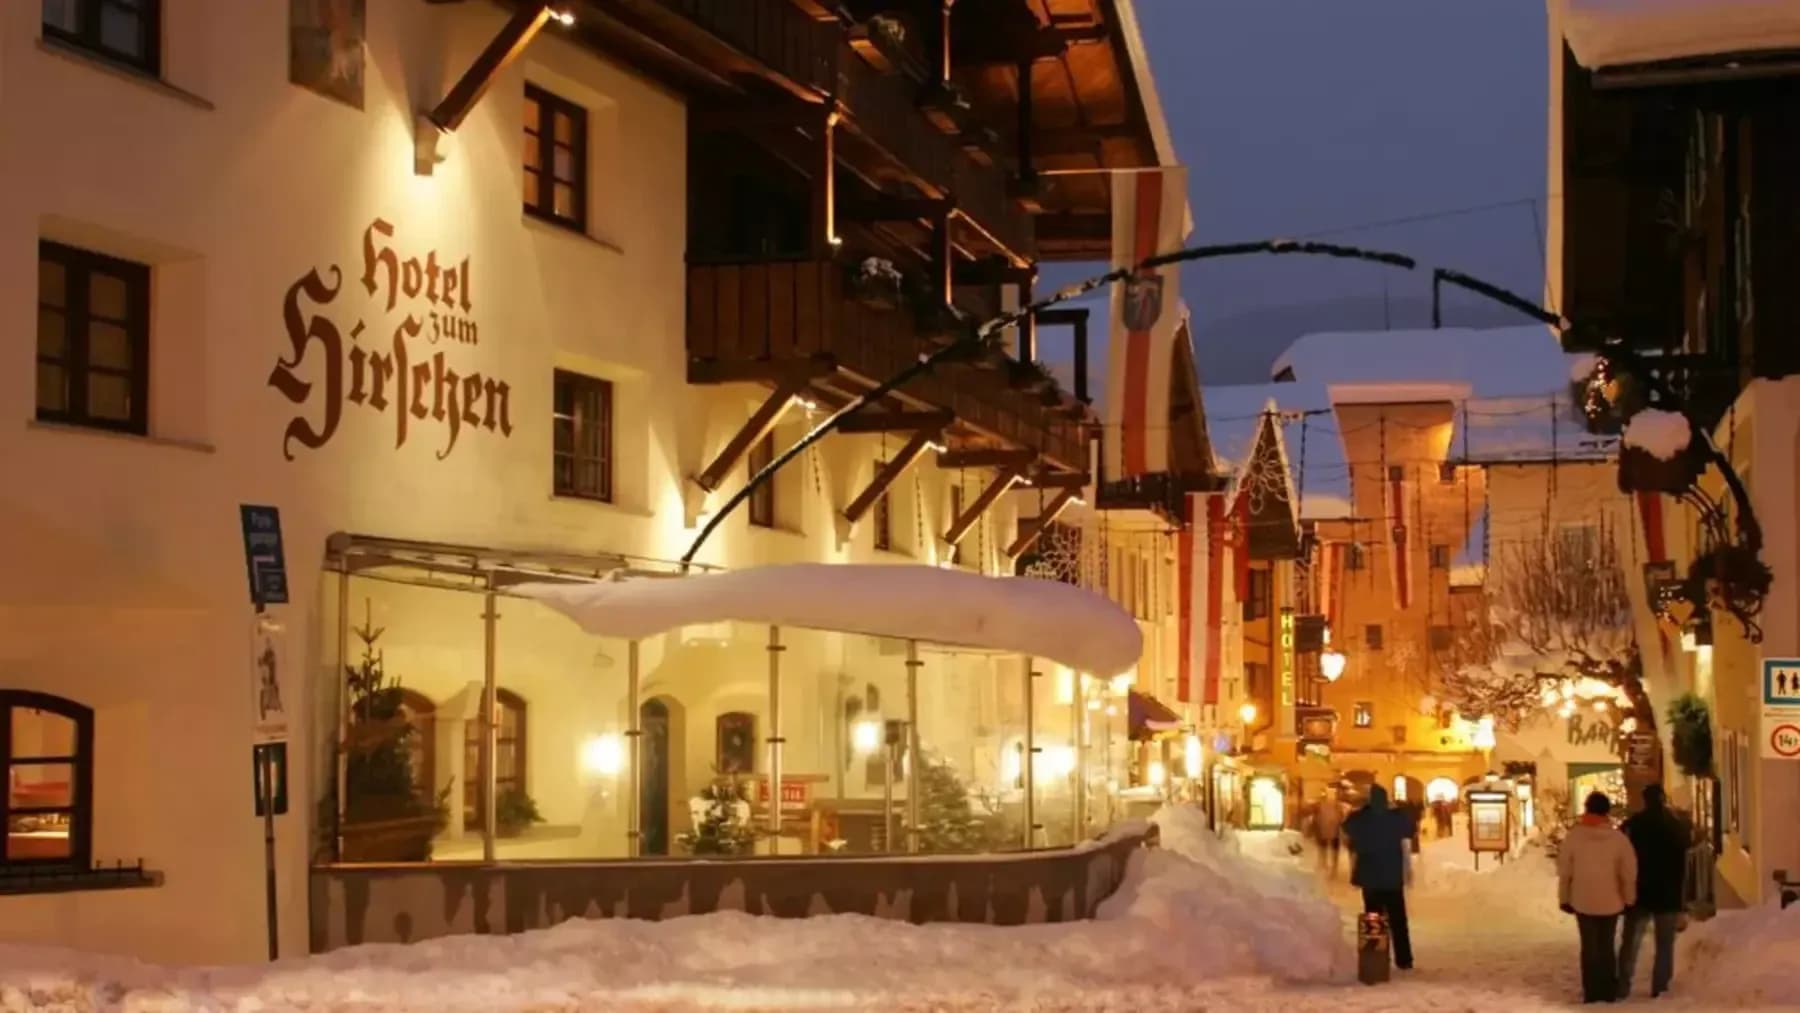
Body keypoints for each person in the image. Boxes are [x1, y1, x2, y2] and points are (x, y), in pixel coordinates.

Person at [1558, 792, 1637, 1003]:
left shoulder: (1574, 837)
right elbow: (1628, 873)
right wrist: (1629, 899)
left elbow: (1565, 871)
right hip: (1611, 901)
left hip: (1582, 900)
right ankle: (1607, 990)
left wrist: (1564, 898)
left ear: (1587, 809)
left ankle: (1591, 991)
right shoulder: (1618, 840)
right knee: (1607, 945)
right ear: (1607, 812)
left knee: (1589, 947)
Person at [1618, 785, 1687, 998]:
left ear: (1645, 800)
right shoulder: (1675, 826)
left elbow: (1622, 856)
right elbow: (1682, 861)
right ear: (1663, 799)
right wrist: (1681, 898)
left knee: (1631, 943)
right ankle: (1660, 987)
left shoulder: (1633, 825)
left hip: (1641, 891)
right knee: (1665, 945)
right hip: (1668, 893)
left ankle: (1622, 985)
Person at [1344, 784, 1415, 970]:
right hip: (1392, 879)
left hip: (1370, 879)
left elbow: (1347, 827)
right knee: (1398, 920)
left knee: (1373, 919)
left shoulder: (1361, 818)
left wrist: (1364, 810)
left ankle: (1374, 957)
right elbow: (1409, 828)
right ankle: (1404, 959)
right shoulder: (1396, 818)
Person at [1314, 788, 1345, 877]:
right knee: (1331, 850)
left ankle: (1327, 867)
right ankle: (1330, 868)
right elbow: (1341, 818)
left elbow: (1317, 818)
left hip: (1328, 831)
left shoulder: (1324, 804)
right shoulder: (1337, 805)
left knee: (1327, 849)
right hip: (1330, 831)